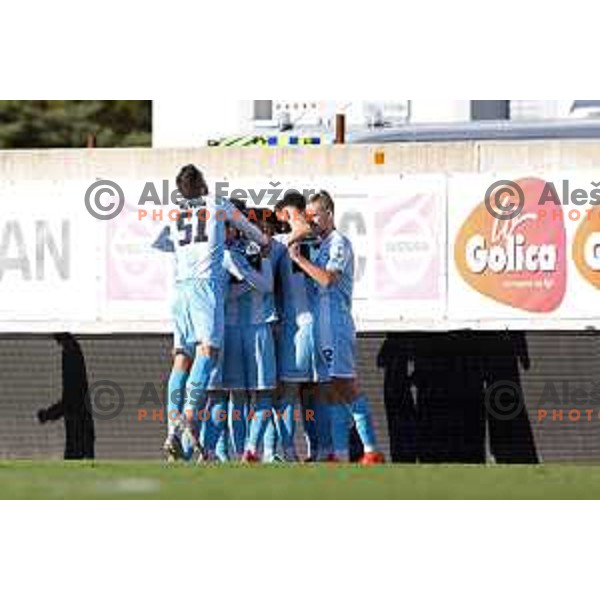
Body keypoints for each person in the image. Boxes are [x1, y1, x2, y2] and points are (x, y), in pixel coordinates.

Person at [152, 164, 269, 462]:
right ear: (203, 184)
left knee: (181, 358)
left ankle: (171, 431)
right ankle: (189, 418)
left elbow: (160, 243)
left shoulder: (175, 212)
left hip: (180, 289)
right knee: (208, 353)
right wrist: (264, 244)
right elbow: (250, 231)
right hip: (206, 287)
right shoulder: (217, 203)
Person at [288, 191, 385, 464]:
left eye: (315, 215)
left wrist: (300, 260)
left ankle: (370, 449)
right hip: (320, 324)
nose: (312, 221)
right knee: (328, 388)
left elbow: (329, 280)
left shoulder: (339, 242)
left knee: (345, 384)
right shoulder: (316, 244)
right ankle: (338, 453)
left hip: (336, 322)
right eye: (308, 216)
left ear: (330, 213)